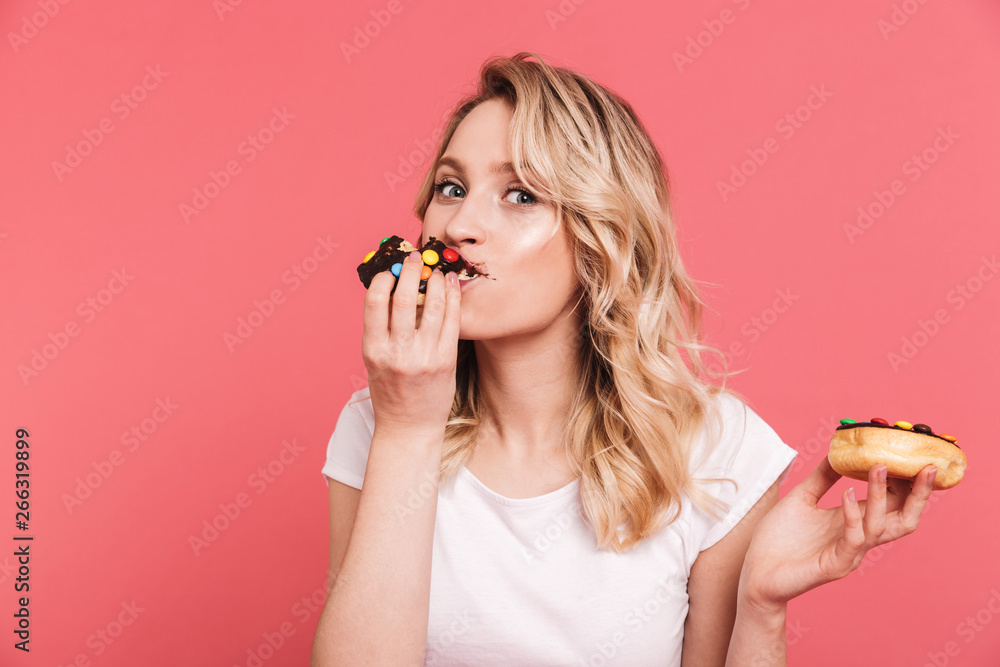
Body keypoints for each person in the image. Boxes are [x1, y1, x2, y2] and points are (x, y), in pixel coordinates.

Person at [311, 52, 937, 666]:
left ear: (602, 236)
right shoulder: (376, 424)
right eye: (451, 188)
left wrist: (761, 606)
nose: (458, 225)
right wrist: (409, 428)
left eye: (520, 195)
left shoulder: (718, 452)